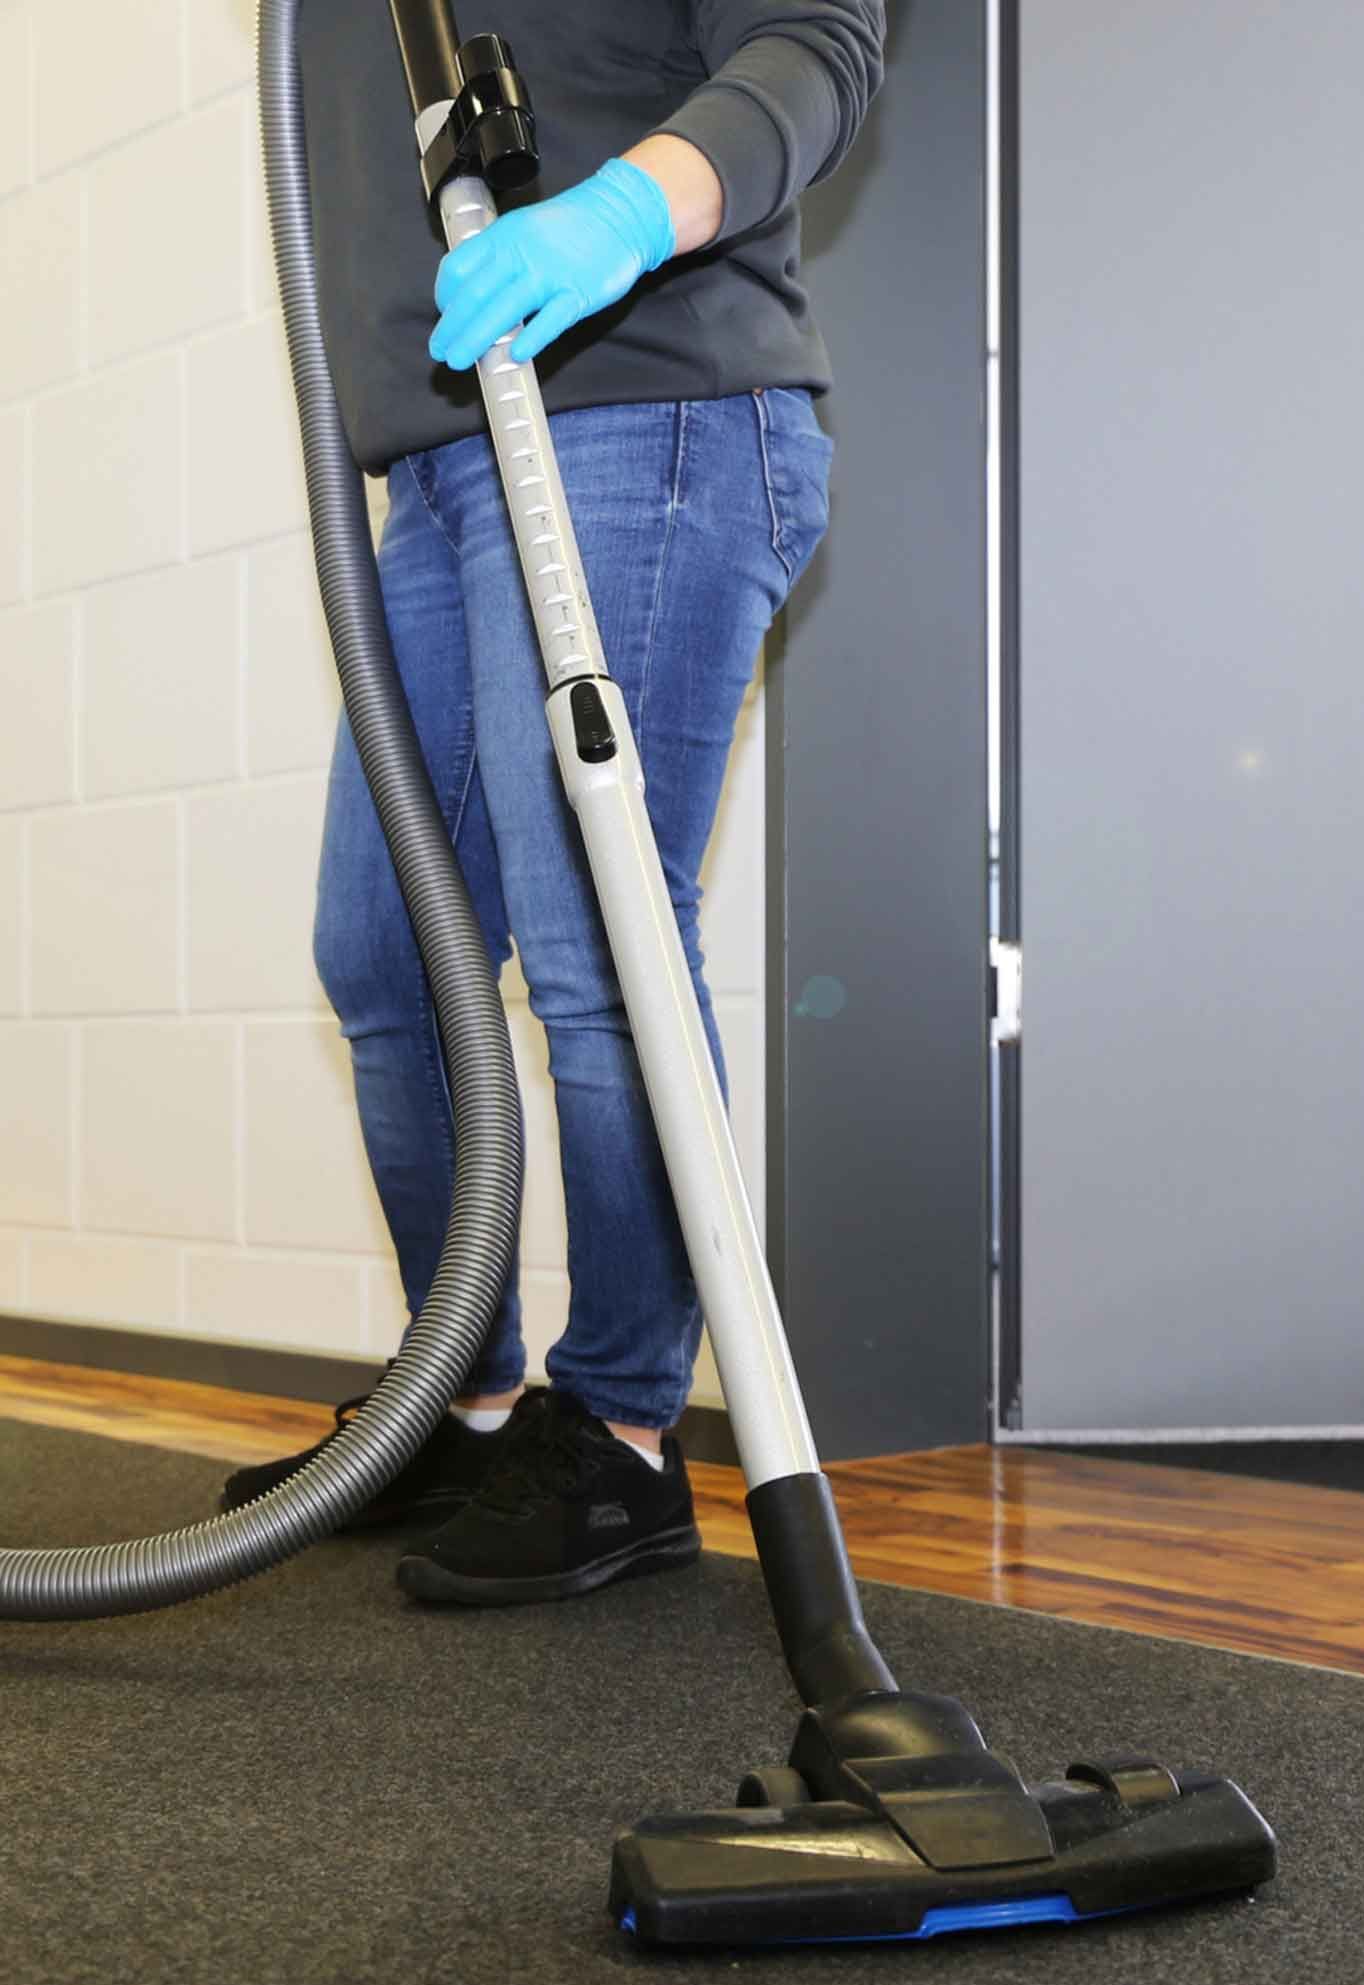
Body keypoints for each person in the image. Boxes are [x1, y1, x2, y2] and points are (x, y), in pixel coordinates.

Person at [222, 0, 886, 1606]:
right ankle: (465, 1393)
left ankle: (623, 1430)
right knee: (388, 959)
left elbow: (818, 46)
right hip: (440, 463)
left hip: (639, 406)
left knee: (598, 959)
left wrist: (620, 212)